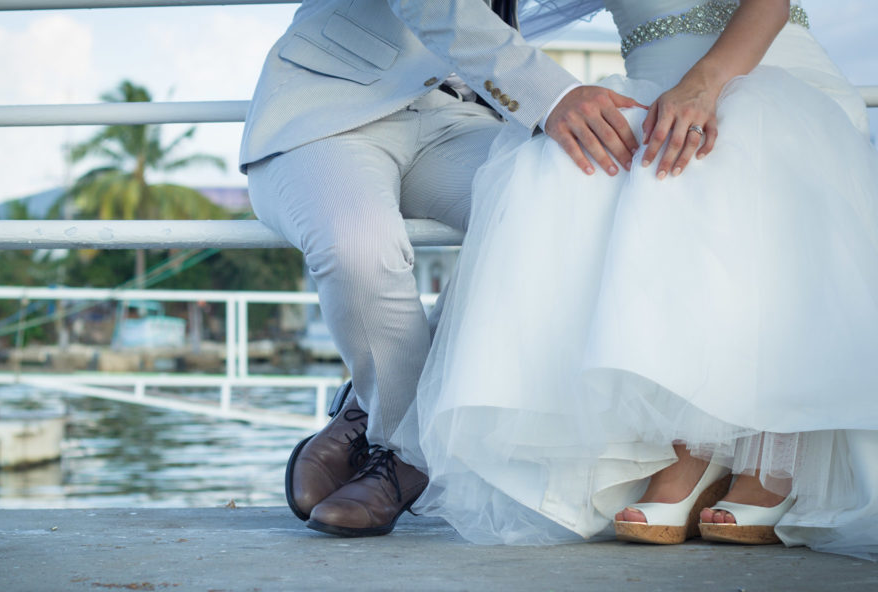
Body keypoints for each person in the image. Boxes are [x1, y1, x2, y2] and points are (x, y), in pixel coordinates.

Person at [405, 0, 878, 559]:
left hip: (770, 71)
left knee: (739, 141)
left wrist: (706, 84)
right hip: (648, 86)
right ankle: (687, 451)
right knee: (573, 165)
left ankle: (765, 456)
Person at [240, 0, 643, 536]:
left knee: (560, 207)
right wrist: (557, 93)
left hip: (465, 115)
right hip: (330, 104)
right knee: (359, 245)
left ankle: (376, 409)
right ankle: (409, 454)